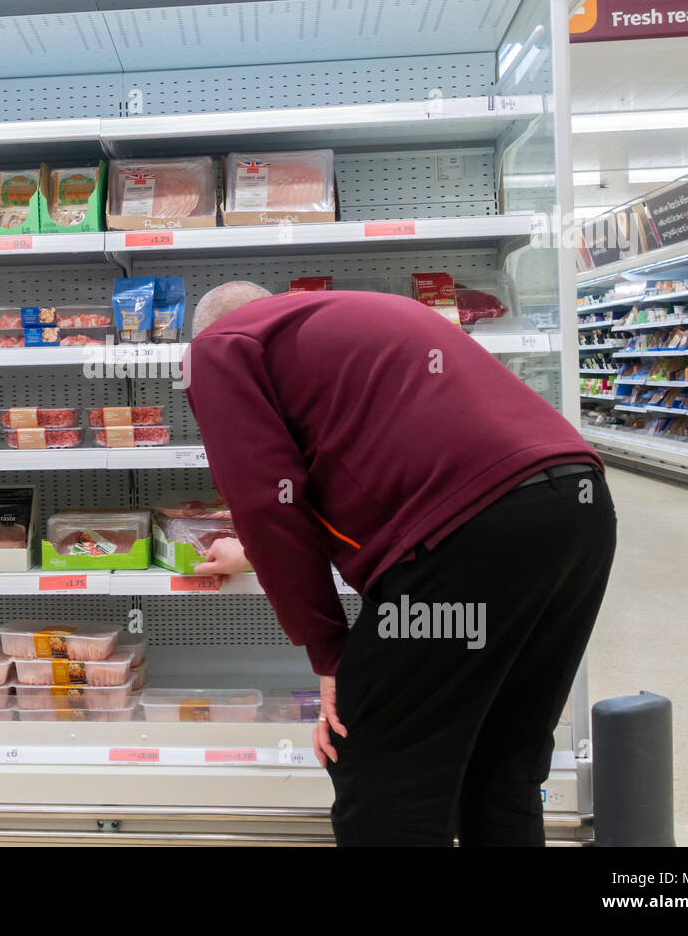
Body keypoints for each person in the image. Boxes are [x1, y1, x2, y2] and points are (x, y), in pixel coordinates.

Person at [183, 281, 615, 847]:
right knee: (502, 761)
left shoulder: (220, 345)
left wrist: (330, 652)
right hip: (577, 509)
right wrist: (251, 554)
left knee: (378, 768)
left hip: (471, 532)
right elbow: (376, 463)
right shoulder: (363, 314)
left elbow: (268, 497)